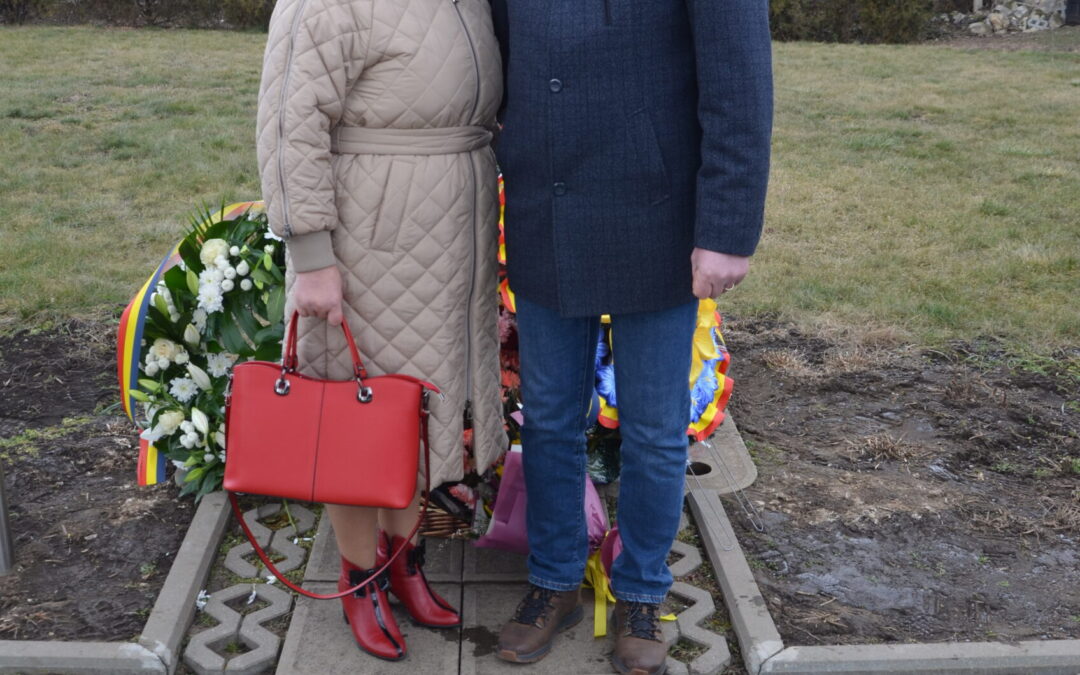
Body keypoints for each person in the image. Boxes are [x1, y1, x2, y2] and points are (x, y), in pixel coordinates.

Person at [490, 2, 774, 673]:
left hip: (657, 213)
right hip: (546, 205)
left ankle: (643, 590)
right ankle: (555, 577)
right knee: (550, 417)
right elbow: (497, 52)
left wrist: (727, 231)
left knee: (654, 426)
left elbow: (739, 84)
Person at [256, 0, 506, 662]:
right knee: (353, 421)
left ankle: (404, 560)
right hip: (367, 241)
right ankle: (359, 577)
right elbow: (289, 123)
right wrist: (312, 256)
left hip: (451, 239)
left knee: (416, 415)